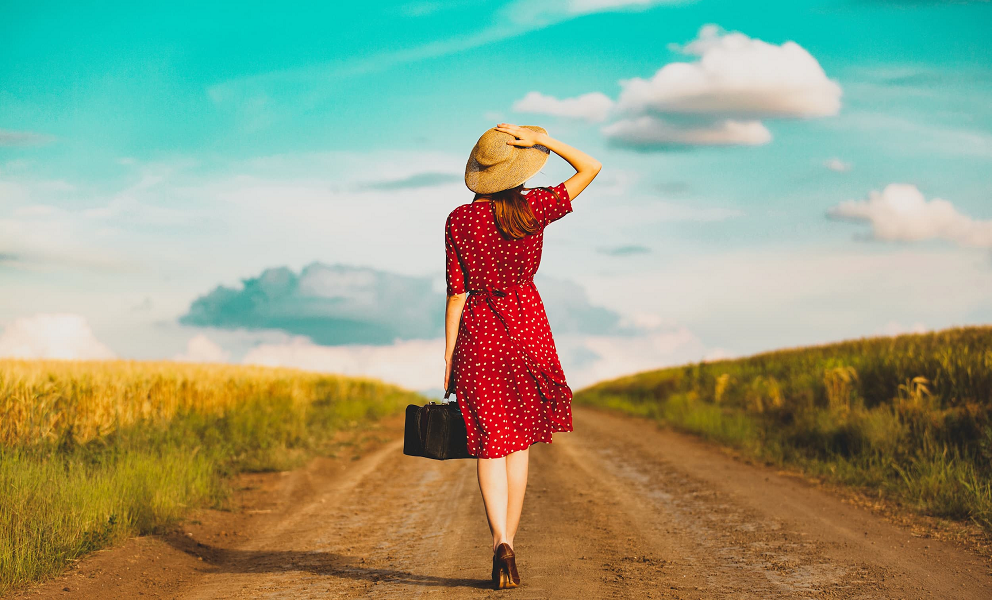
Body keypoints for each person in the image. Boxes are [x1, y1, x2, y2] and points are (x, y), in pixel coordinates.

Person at [443, 123, 601, 589]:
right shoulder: (534, 208)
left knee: (489, 445)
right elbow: (591, 166)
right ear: (520, 169)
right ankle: (510, 541)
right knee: (519, 445)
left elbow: (456, 296)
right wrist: (543, 139)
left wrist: (449, 363)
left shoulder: (458, 220)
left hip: (478, 336)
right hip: (527, 329)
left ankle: (500, 543)